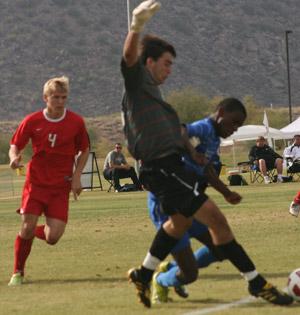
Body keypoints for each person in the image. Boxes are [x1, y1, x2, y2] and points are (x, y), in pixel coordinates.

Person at [122, 0, 292, 308]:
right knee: (216, 222)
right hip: (162, 168)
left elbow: (178, 134)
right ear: (149, 63)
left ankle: (145, 274)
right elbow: (128, 60)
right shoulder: (138, 84)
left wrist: (198, 161)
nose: (170, 70)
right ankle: (256, 283)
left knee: (183, 224)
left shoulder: (154, 96)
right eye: (166, 63)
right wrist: (136, 26)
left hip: (168, 168)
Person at [150, 98, 246, 304]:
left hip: (192, 203)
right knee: (190, 274)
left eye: (239, 126)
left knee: (220, 248)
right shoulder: (204, 127)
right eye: (234, 122)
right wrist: (192, 152)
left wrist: (226, 193)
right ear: (220, 112)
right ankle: (161, 280)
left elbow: (208, 171)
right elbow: (181, 131)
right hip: (173, 203)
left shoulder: (214, 140)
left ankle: (170, 270)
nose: (235, 129)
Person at [8, 76, 90, 285]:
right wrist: (13, 159)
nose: (60, 101)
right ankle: (18, 272)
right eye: (56, 97)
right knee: (27, 226)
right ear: (46, 98)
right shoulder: (32, 121)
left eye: (64, 97)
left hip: (60, 186)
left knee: (53, 237)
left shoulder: (76, 122)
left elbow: (84, 149)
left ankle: (30, 232)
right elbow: (15, 145)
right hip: (35, 183)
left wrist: (77, 178)